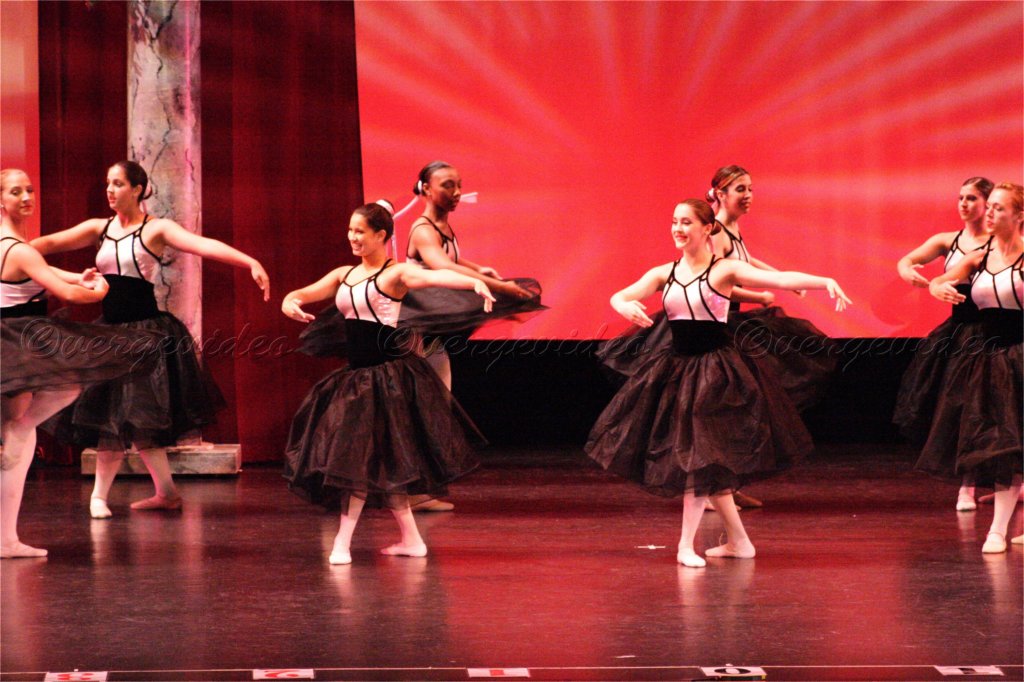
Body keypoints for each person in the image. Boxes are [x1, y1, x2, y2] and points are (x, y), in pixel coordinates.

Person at [585, 198, 851, 568]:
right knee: (707, 461)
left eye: (686, 222)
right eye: (674, 221)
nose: (678, 228)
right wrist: (622, 305)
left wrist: (825, 281)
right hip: (677, 370)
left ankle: (685, 545)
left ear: (707, 227)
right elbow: (623, 294)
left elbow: (780, 280)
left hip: (715, 373)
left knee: (698, 457)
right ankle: (739, 542)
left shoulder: (723, 270)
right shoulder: (665, 272)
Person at [30, 160, 270, 518]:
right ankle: (165, 493)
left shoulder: (156, 229)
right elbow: (47, 243)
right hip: (109, 333)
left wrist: (249, 261)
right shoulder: (99, 228)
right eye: (107, 183)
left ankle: (103, 496)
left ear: (137, 189)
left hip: (146, 334)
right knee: (118, 417)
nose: (110, 190)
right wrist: (11, 250)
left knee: (135, 417)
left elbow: (203, 245)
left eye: (118, 184)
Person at [281, 200, 493, 564]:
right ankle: (412, 540)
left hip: (386, 380)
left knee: (357, 461)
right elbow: (303, 293)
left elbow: (433, 276)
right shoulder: (343, 275)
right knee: (384, 464)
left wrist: (474, 282)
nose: (353, 237)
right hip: (356, 379)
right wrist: (290, 301)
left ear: (381, 235)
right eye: (350, 230)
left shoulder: (394, 275)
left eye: (360, 231)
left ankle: (342, 543)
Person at [1, 169, 157, 557]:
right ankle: (5, 539)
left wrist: (81, 277)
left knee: (28, 420)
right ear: (0, 200)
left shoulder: (13, 246)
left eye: (29, 189)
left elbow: (47, 273)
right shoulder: (20, 250)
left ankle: (6, 538)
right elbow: (63, 291)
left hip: (16, 341)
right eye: (16, 192)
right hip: (16, 343)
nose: (26, 197)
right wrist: (98, 291)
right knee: (22, 424)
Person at [923, 182, 1023, 552]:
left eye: (999, 208)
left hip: (1021, 355)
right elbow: (942, 278)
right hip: (991, 359)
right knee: (1003, 443)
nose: (990, 213)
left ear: (1019, 216)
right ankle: (997, 530)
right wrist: (937, 287)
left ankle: (999, 530)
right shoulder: (980, 256)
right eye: (990, 206)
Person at [893, 177, 993, 511]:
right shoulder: (948, 241)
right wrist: (909, 271)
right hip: (962, 334)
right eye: (961, 197)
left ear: (988, 204)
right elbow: (908, 261)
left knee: (999, 408)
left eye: (972, 198)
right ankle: (967, 486)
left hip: (996, 332)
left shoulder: (1001, 244)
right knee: (964, 408)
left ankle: (1015, 483)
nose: (964, 204)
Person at [707, 165, 837, 412]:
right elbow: (714, 288)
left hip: (730, 318)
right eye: (740, 189)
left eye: (750, 189)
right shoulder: (716, 233)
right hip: (715, 325)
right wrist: (759, 297)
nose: (748, 195)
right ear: (721, 195)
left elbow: (744, 259)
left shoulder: (731, 226)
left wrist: (781, 278)